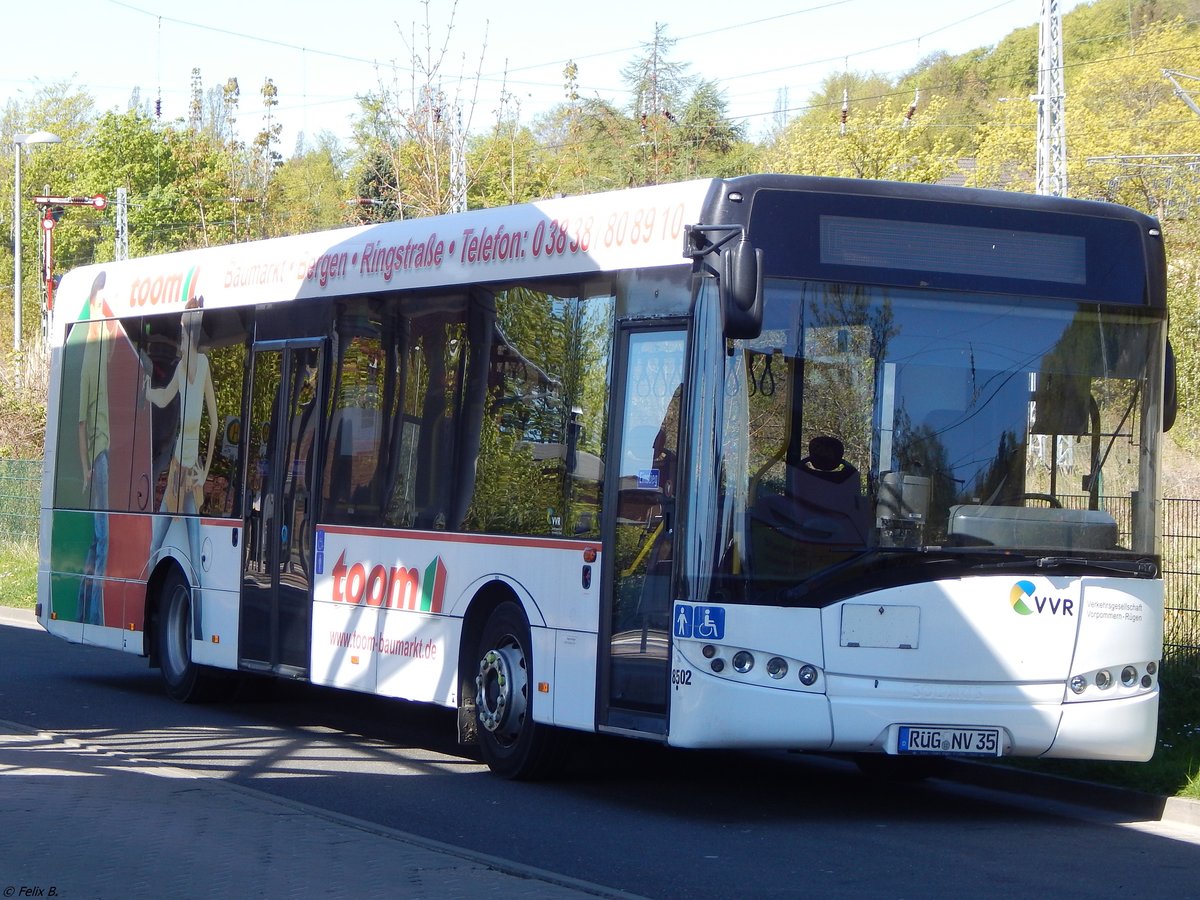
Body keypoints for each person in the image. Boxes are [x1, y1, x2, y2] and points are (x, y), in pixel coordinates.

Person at [146, 296, 218, 638]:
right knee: (181, 544)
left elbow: (215, 421)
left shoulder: (197, 364)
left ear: (184, 328)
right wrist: (148, 389)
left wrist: (204, 471)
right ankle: (200, 630)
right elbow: (166, 399)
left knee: (162, 541)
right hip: (183, 467)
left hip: (185, 470)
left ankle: (198, 627)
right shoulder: (190, 366)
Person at [77, 272, 111, 625]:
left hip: (105, 450)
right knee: (104, 538)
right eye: (100, 304)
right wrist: (87, 468)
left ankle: (83, 611)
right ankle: (96, 615)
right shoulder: (88, 358)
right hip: (98, 455)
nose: (106, 312)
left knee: (95, 540)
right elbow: (80, 425)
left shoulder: (102, 349)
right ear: (91, 305)